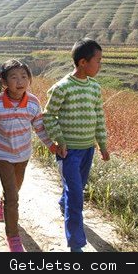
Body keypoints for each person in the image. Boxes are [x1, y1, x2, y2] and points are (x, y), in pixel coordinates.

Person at [0, 59, 63, 252]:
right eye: (14, 77)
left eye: (24, 76)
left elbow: (39, 127)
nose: (20, 81)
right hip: (3, 155)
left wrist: (51, 145)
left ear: (29, 80)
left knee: (14, 189)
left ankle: (2, 203)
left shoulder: (33, 102)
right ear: (4, 82)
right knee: (13, 197)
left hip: (23, 155)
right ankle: (13, 236)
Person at [42, 38, 110, 252]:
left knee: (77, 188)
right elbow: (48, 116)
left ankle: (64, 202)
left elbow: (99, 116)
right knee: (76, 196)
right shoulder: (62, 88)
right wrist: (59, 140)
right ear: (83, 62)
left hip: (87, 149)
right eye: (97, 61)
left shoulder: (94, 88)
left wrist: (103, 144)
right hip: (68, 151)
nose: (100, 65)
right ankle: (76, 243)